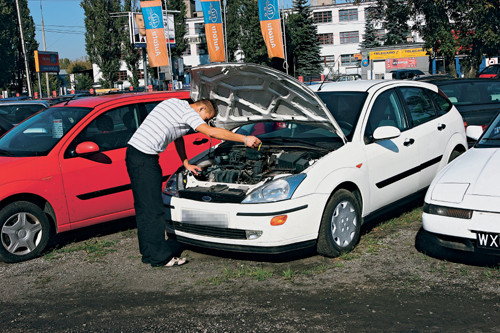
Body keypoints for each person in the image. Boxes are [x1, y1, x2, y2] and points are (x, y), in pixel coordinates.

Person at [125, 98, 261, 267]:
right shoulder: (188, 112)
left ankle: (148, 253)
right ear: (202, 107)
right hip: (145, 159)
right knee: (154, 209)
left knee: (144, 208)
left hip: (134, 154)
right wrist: (245, 139)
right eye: (206, 117)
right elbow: (211, 133)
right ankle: (161, 258)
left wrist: (185, 162)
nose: (204, 121)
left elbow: (177, 136)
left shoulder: (174, 103)